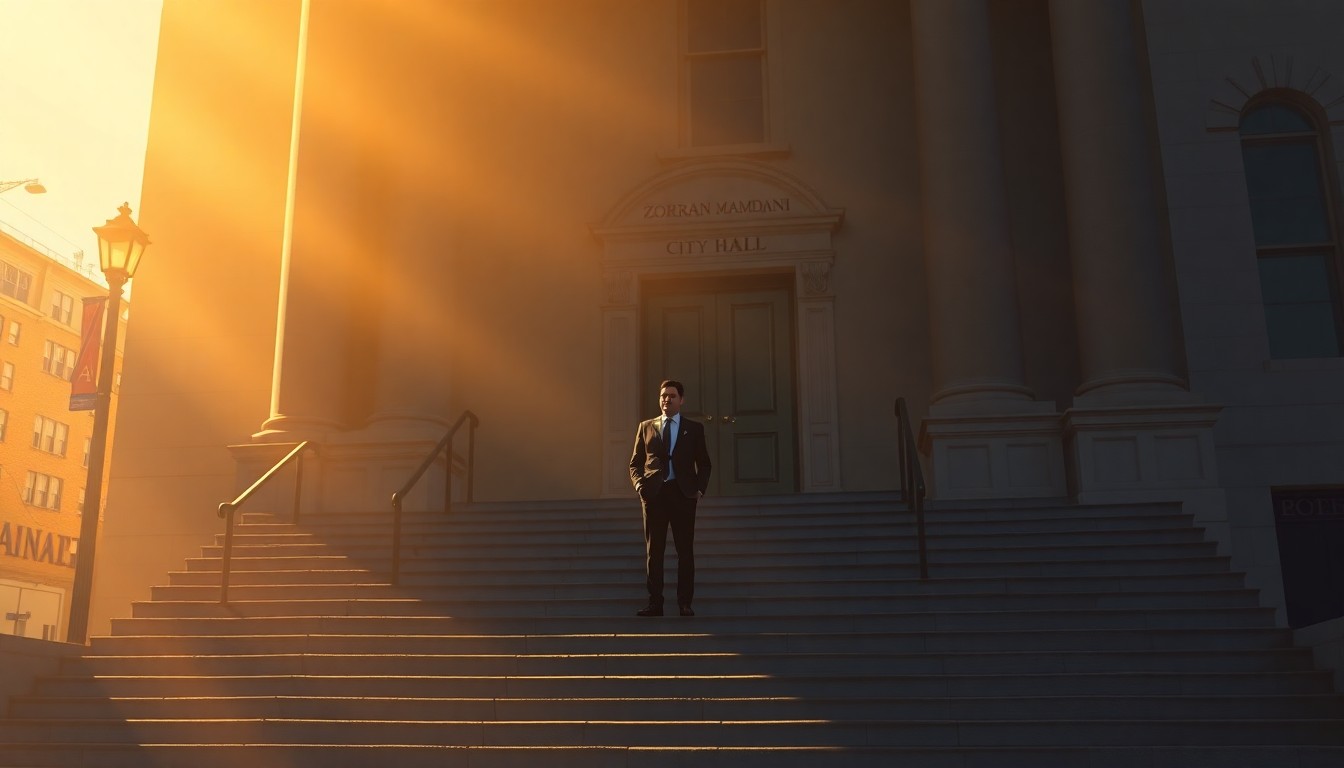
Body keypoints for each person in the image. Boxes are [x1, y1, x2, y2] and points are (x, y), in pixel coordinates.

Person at [629, 379, 711, 617]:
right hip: (654, 496)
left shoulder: (694, 429)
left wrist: (699, 490)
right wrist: (640, 487)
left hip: (683, 495)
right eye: (663, 396)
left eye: (672, 396)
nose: (667, 399)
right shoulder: (646, 426)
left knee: (685, 552)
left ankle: (684, 603)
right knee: (654, 552)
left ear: (681, 400)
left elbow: (704, 463)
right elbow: (635, 464)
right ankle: (655, 603)